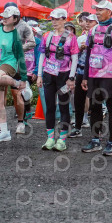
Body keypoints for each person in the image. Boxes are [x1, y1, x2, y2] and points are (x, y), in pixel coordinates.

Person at [82, 1, 112, 156]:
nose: (97, 12)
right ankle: (95, 140)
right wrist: (85, 76)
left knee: (111, 108)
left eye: (101, 10)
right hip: (93, 76)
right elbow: (88, 54)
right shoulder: (92, 30)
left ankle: (111, 142)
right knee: (94, 108)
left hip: (110, 76)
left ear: (109, 12)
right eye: (97, 10)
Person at [0, 2, 35, 134]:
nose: (5, 17)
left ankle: (21, 122)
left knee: (16, 94)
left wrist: (18, 49)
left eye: (8, 15)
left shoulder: (24, 26)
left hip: (15, 64)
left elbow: (32, 42)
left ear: (15, 16)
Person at [35, 9, 79, 151]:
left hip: (64, 76)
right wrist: (40, 75)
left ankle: (62, 139)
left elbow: (75, 58)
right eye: (52, 19)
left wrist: (71, 78)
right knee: (49, 106)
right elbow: (42, 55)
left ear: (64, 20)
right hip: (48, 74)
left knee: (64, 106)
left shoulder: (71, 37)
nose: (54, 22)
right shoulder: (47, 36)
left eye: (57, 19)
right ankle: (50, 138)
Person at [70, 13, 93, 138]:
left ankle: (96, 133)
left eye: (90, 21)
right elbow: (74, 56)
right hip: (80, 71)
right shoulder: (80, 38)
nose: (87, 24)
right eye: (86, 21)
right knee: (78, 100)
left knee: (95, 101)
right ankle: (78, 127)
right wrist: (80, 48)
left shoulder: (101, 38)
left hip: (95, 73)